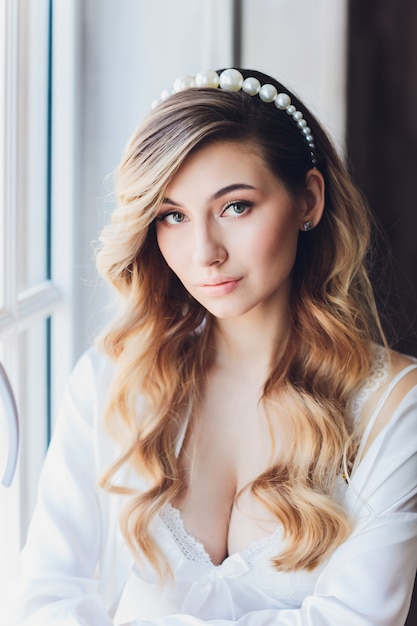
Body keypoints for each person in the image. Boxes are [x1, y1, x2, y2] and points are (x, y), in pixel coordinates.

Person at [8, 68, 417, 625]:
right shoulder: (114, 378)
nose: (204, 252)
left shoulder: (394, 407)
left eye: (235, 207)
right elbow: (47, 596)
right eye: (172, 216)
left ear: (309, 201)